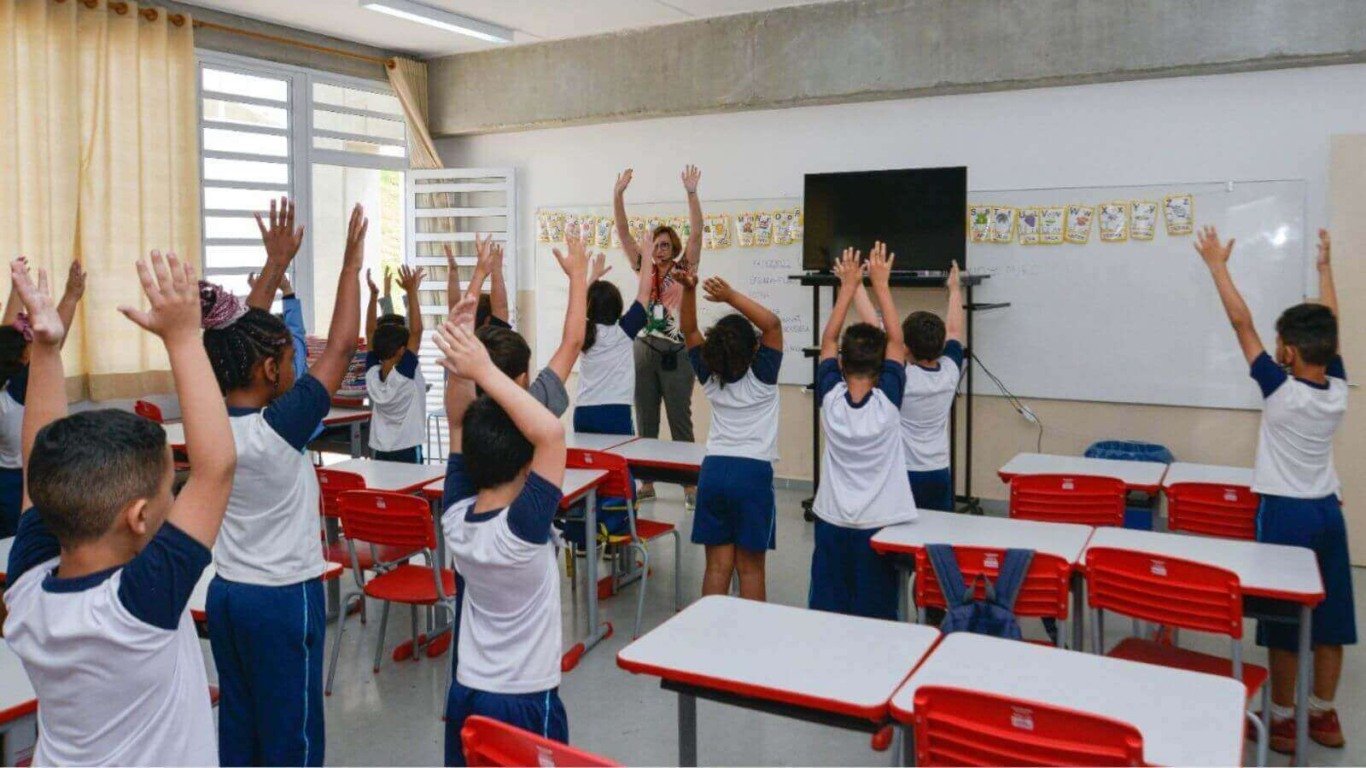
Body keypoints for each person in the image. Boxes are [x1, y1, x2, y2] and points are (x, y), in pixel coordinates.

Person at [3, 251, 235, 765]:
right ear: (137, 518)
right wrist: (182, 338)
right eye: (168, 492)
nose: (175, 500)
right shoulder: (138, 605)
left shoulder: (25, 589)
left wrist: (46, 349)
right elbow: (216, 467)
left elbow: (39, 452)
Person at [203, 204, 366, 767]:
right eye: (292, 359)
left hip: (226, 595)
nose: (299, 366)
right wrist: (350, 263)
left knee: (242, 725)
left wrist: (274, 268)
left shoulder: (208, 417)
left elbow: (237, 344)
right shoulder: (278, 431)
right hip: (282, 600)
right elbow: (343, 345)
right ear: (271, 373)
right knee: (291, 738)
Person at [1196, 225, 1353, 754]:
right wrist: (1326, 270)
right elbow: (1333, 328)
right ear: (1329, 352)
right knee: (1330, 620)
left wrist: (1218, 266)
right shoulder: (1337, 389)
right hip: (1330, 513)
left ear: (1285, 351)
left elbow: (1240, 323)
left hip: (1286, 517)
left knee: (1285, 625)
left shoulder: (1281, 392)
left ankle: (1283, 718)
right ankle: (1324, 716)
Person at [434, 297, 568, 767]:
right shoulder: (523, 531)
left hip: (468, 690)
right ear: (526, 464)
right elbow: (550, 434)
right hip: (526, 696)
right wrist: (483, 371)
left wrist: (462, 367)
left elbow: (457, 422)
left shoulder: (454, 518)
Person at [808, 243, 915, 620]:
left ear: (840, 363)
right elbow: (898, 343)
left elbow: (827, 340)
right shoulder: (887, 405)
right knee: (876, 616)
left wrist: (847, 289)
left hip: (832, 522)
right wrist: (880, 286)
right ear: (883, 366)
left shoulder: (831, 401)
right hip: (878, 525)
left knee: (829, 612)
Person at [679, 272, 783, 600]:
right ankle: (749, 642)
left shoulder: (710, 376)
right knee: (750, 568)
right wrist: (730, 295)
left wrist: (689, 290)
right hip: (752, 474)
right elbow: (773, 325)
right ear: (754, 349)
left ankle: (711, 636)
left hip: (713, 472)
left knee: (716, 568)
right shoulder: (763, 376)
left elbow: (689, 330)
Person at [614, 165, 704, 502]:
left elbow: (697, 233)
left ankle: (690, 484)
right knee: (646, 417)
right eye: (658, 244)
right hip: (644, 349)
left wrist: (691, 194)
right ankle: (646, 482)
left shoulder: (684, 269)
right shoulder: (643, 268)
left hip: (677, 353)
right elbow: (623, 233)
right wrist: (618, 195)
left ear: (675, 247)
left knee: (680, 419)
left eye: (667, 244)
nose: (662, 249)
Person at [0, 258, 84, 538]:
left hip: (6, 480)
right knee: (27, 544)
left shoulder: (7, 388)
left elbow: (7, 338)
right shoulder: (25, 387)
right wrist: (71, 297)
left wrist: (17, 291)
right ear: (25, 356)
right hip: (26, 481)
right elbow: (52, 342)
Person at [475, 230, 592, 418]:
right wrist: (578, 275)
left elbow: (573, 344)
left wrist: (480, 273)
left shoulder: (467, 410)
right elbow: (573, 343)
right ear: (522, 379)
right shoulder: (531, 409)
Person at [898, 261, 965, 511]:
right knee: (937, 535)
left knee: (901, 539)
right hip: (938, 470)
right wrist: (955, 289)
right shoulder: (949, 373)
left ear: (905, 347)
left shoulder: (904, 377)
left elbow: (879, 328)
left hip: (904, 471)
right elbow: (956, 329)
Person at [573, 252, 650, 435]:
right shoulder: (623, 331)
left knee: (589, 463)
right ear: (618, 306)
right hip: (615, 411)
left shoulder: (582, 331)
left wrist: (593, 276)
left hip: (583, 410)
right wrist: (647, 254)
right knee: (618, 462)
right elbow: (645, 292)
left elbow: (577, 304)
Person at [365, 264, 428, 463]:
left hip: (380, 449)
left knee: (384, 492)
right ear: (402, 351)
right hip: (408, 447)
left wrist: (374, 296)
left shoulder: (372, 377)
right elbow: (417, 331)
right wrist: (411, 293)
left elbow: (369, 333)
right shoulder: (404, 376)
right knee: (410, 492)